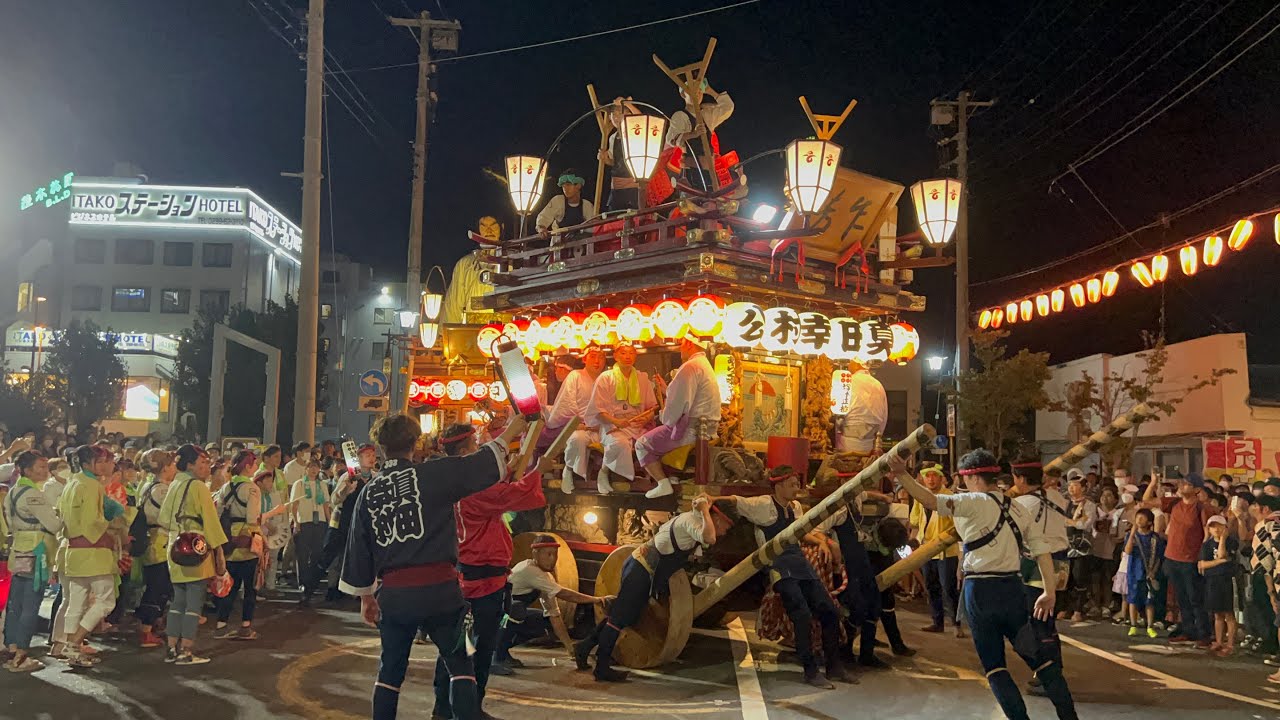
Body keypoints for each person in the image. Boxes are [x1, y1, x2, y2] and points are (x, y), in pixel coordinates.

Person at [340, 413, 527, 720]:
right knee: (462, 660)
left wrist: (366, 597)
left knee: (390, 671)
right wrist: (516, 428)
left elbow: (359, 548)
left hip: (396, 596)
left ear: (381, 447)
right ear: (415, 443)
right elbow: (480, 462)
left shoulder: (370, 492)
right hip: (444, 595)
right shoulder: (434, 474)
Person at [892, 449, 1078, 720]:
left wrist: (901, 474)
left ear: (973, 477)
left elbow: (930, 501)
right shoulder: (1017, 506)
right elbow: (1041, 550)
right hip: (1013, 590)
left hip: (979, 591)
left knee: (995, 668)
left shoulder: (971, 501)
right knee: (1041, 659)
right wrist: (1049, 592)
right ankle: (1069, 717)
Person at [432, 424, 551, 720]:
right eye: (474, 445)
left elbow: (498, 492)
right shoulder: (472, 489)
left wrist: (509, 470)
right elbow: (509, 497)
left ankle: (448, 709)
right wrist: (538, 470)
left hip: (471, 576)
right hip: (480, 583)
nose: (478, 450)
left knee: (460, 646)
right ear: (463, 451)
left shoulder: (454, 482)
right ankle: (463, 709)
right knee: (474, 648)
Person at [713, 466, 853, 689]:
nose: (797, 488)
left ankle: (835, 667)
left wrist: (821, 541)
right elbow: (734, 500)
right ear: (778, 486)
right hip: (779, 566)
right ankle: (810, 671)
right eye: (792, 484)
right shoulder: (762, 505)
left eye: (797, 484)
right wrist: (708, 498)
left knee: (830, 611)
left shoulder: (795, 507)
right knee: (802, 615)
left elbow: (799, 531)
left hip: (799, 563)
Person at [574, 496, 736, 682]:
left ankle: (584, 648)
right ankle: (601, 667)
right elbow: (710, 537)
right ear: (716, 518)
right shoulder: (692, 521)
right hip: (640, 568)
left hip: (646, 572)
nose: (725, 531)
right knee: (619, 619)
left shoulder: (696, 523)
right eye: (726, 525)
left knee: (626, 616)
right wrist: (705, 509)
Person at [495, 535, 615, 674]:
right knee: (517, 609)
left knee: (544, 620)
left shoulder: (546, 578)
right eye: (548, 554)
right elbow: (564, 594)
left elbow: (554, 615)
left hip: (505, 615)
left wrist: (570, 649)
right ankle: (496, 657)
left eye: (555, 554)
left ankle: (503, 652)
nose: (552, 559)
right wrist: (597, 600)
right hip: (496, 616)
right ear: (535, 554)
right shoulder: (529, 570)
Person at [158, 444, 228, 665]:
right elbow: (211, 521)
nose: (206, 467)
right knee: (194, 602)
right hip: (196, 545)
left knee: (178, 601)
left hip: (175, 545)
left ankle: (171, 648)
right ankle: (186, 650)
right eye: (203, 463)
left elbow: (163, 519)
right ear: (190, 465)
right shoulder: (198, 487)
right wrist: (218, 551)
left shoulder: (174, 484)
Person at [51, 445, 119, 668]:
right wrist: (111, 532)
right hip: (92, 551)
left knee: (76, 602)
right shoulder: (91, 485)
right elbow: (93, 522)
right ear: (89, 463)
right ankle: (75, 642)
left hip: (72, 551)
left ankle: (71, 644)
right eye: (99, 461)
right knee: (106, 600)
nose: (102, 465)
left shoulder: (71, 483)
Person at [1008, 459, 1070, 698]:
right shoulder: (1056, 496)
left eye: (1015, 478)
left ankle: (1048, 675)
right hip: (1062, 563)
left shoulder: (1020, 503)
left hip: (1038, 565)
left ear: (1021, 479)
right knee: (1048, 621)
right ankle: (1053, 669)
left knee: (1038, 621)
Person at [636, 336, 721, 499]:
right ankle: (672, 477)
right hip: (706, 430)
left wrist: (663, 416)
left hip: (691, 431)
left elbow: (675, 410)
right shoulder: (705, 366)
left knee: (642, 444)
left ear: (689, 343)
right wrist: (666, 390)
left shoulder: (690, 367)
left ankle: (663, 483)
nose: (679, 348)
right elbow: (685, 396)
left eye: (681, 343)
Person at [3, 451, 62, 672]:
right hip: (36, 551)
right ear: (27, 470)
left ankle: (11, 646)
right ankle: (22, 655)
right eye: (41, 467)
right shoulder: (33, 495)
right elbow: (54, 525)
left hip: (20, 549)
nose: (45, 471)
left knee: (16, 602)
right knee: (31, 602)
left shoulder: (13, 491)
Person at [1142, 471, 1214, 648]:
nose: (1182, 486)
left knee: (1195, 598)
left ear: (1197, 489)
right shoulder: (1174, 502)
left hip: (1191, 559)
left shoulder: (1201, 508)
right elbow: (1146, 502)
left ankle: (1204, 634)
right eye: (1182, 483)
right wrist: (1153, 483)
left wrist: (1201, 557)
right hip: (1172, 557)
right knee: (1181, 598)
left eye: (1187, 484)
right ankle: (1188, 630)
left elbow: (1207, 533)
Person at [300, 443, 376, 606]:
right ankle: (308, 589)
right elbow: (334, 500)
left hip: (362, 524)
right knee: (327, 556)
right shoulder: (347, 477)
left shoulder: (375, 477)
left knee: (362, 558)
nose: (371, 458)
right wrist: (346, 489)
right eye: (367, 455)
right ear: (358, 458)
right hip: (341, 522)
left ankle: (357, 594)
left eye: (373, 454)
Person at [585, 342, 658, 495]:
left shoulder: (642, 378)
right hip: (613, 426)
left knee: (654, 443)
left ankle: (655, 479)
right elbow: (598, 409)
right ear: (616, 355)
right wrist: (616, 421)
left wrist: (645, 419)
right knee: (619, 444)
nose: (627, 357)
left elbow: (652, 407)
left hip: (638, 426)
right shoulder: (606, 378)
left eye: (631, 353)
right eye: (623, 353)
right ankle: (604, 472)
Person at [214, 452, 263, 640]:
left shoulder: (226, 486)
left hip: (228, 540)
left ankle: (221, 624)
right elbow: (252, 518)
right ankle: (245, 626)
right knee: (250, 587)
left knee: (230, 585)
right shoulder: (252, 488)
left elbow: (218, 512)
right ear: (248, 467)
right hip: (246, 540)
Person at [909, 464, 962, 636]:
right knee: (931, 587)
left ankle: (956, 623)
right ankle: (937, 622)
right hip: (926, 549)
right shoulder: (920, 498)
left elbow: (957, 525)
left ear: (942, 478)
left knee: (949, 588)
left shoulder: (949, 497)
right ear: (923, 479)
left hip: (946, 550)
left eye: (934, 475)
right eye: (927, 476)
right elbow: (915, 522)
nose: (931, 479)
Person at [135, 448, 177, 649]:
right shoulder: (162, 490)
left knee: (156, 586)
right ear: (165, 467)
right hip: (160, 542)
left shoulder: (145, 485)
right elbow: (171, 515)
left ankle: (152, 624)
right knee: (158, 587)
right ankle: (146, 630)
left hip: (150, 541)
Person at [1199, 515, 1240, 656]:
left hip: (1227, 580)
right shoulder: (1206, 545)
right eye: (1212, 526)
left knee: (1229, 613)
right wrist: (1220, 561)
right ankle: (1218, 640)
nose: (1216, 529)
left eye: (1219, 526)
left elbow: (1223, 553)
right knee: (1217, 613)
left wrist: (1222, 539)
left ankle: (1230, 644)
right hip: (1212, 580)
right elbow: (1202, 564)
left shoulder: (1231, 542)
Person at [290, 457, 330, 591]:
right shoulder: (299, 484)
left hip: (320, 522)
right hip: (304, 521)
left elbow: (325, 505)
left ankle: (312, 581)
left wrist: (329, 522)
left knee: (317, 553)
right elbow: (294, 505)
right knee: (302, 554)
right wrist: (296, 522)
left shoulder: (322, 484)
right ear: (306, 469)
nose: (313, 470)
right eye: (311, 467)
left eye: (316, 467)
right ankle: (303, 582)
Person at [1123, 509, 1165, 638]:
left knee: (1149, 600)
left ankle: (1150, 626)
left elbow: (1159, 556)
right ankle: (1133, 625)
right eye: (1137, 518)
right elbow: (1128, 551)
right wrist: (1131, 534)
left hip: (1150, 573)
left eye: (1142, 518)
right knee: (1133, 599)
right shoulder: (1132, 536)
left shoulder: (1155, 538)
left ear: (1150, 522)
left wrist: (1154, 571)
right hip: (1134, 572)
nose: (1139, 520)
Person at [1062, 474, 1098, 621]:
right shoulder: (1065, 503)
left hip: (1082, 546)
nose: (1071, 488)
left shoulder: (1089, 505)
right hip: (1066, 545)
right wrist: (1072, 521)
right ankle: (1066, 608)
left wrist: (1069, 521)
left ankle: (1078, 609)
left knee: (1079, 578)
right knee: (1065, 578)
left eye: (1075, 485)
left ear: (1084, 488)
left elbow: (1085, 524)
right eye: (1070, 485)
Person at [833, 360, 887, 454]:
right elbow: (884, 417)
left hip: (847, 441)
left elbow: (838, 415)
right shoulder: (878, 385)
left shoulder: (847, 382)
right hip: (871, 442)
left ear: (856, 363)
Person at [535, 169, 597, 240]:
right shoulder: (558, 201)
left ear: (578, 185)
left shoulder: (587, 205)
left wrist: (595, 224)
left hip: (579, 246)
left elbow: (593, 227)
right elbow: (544, 217)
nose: (565, 188)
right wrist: (541, 228)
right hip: (559, 244)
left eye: (568, 185)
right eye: (563, 186)